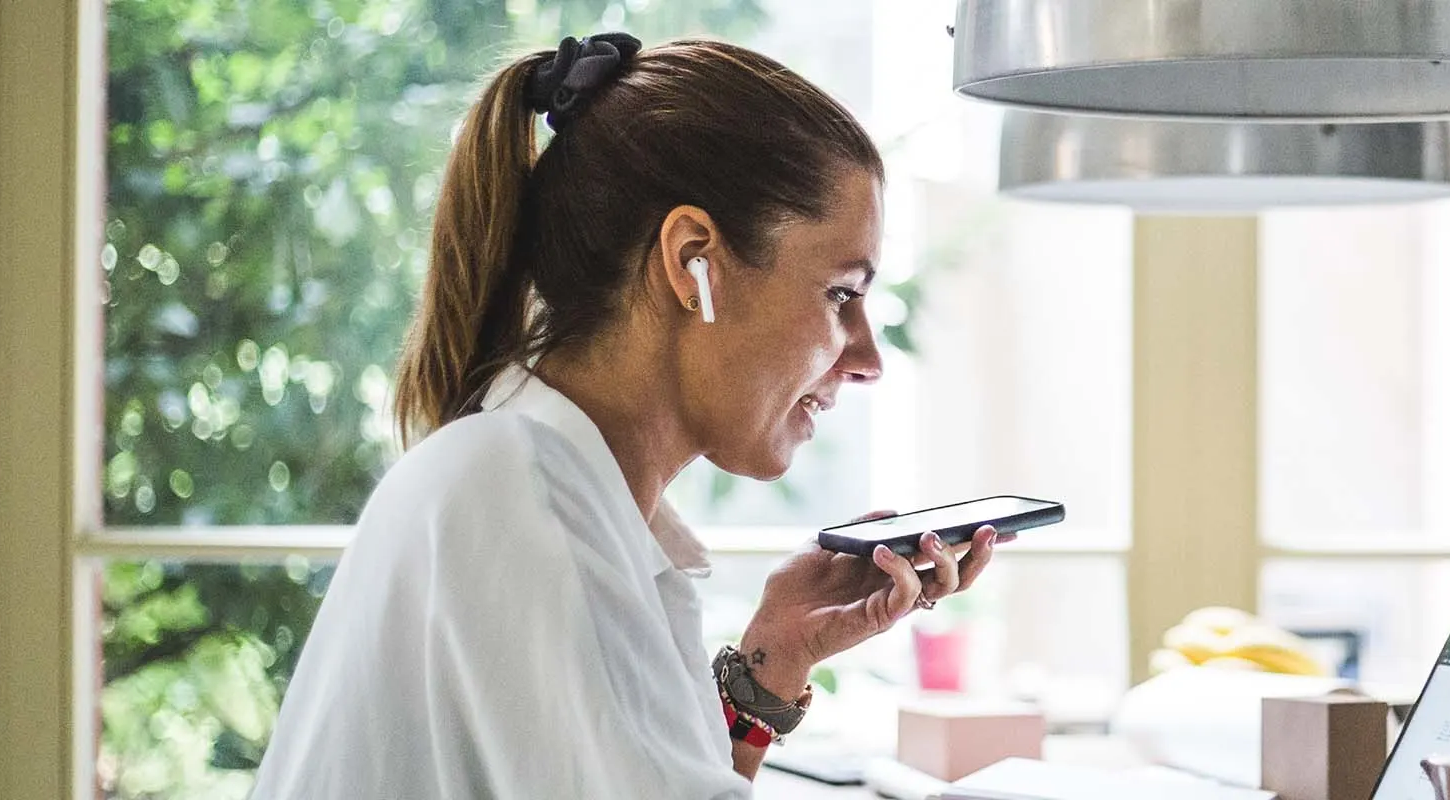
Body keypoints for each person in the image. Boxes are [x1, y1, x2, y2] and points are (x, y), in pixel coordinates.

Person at [250, 33, 997, 799]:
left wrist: (776, 656)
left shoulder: (560, 495)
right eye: (841, 294)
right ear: (691, 260)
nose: (868, 358)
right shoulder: (519, 499)